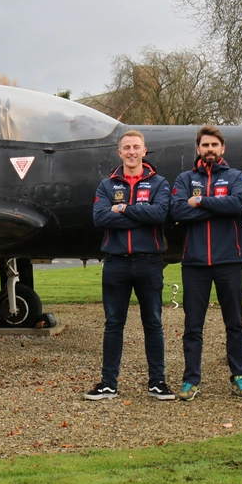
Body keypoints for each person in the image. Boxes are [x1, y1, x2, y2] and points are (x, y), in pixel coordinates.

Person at [86, 129, 174, 401]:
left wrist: (122, 209)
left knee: (154, 323)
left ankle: (157, 382)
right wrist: (140, 215)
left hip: (149, 263)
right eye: (127, 147)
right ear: (120, 152)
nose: (132, 152)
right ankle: (108, 383)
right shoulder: (107, 185)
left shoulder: (159, 183)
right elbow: (100, 218)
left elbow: (160, 214)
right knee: (113, 324)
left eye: (136, 147)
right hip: (116, 264)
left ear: (144, 151)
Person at [171, 125, 242, 401]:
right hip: (194, 263)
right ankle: (191, 380)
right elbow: (178, 210)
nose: (209, 150)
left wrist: (200, 201)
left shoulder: (235, 176)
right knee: (193, 326)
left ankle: (239, 376)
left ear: (222, 149)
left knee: (235, 324)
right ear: (198, 149)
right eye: (205, 145)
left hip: (229, 259)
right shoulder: (184, 178)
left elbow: (237, 204)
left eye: (214, 145)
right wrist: (215, 206)